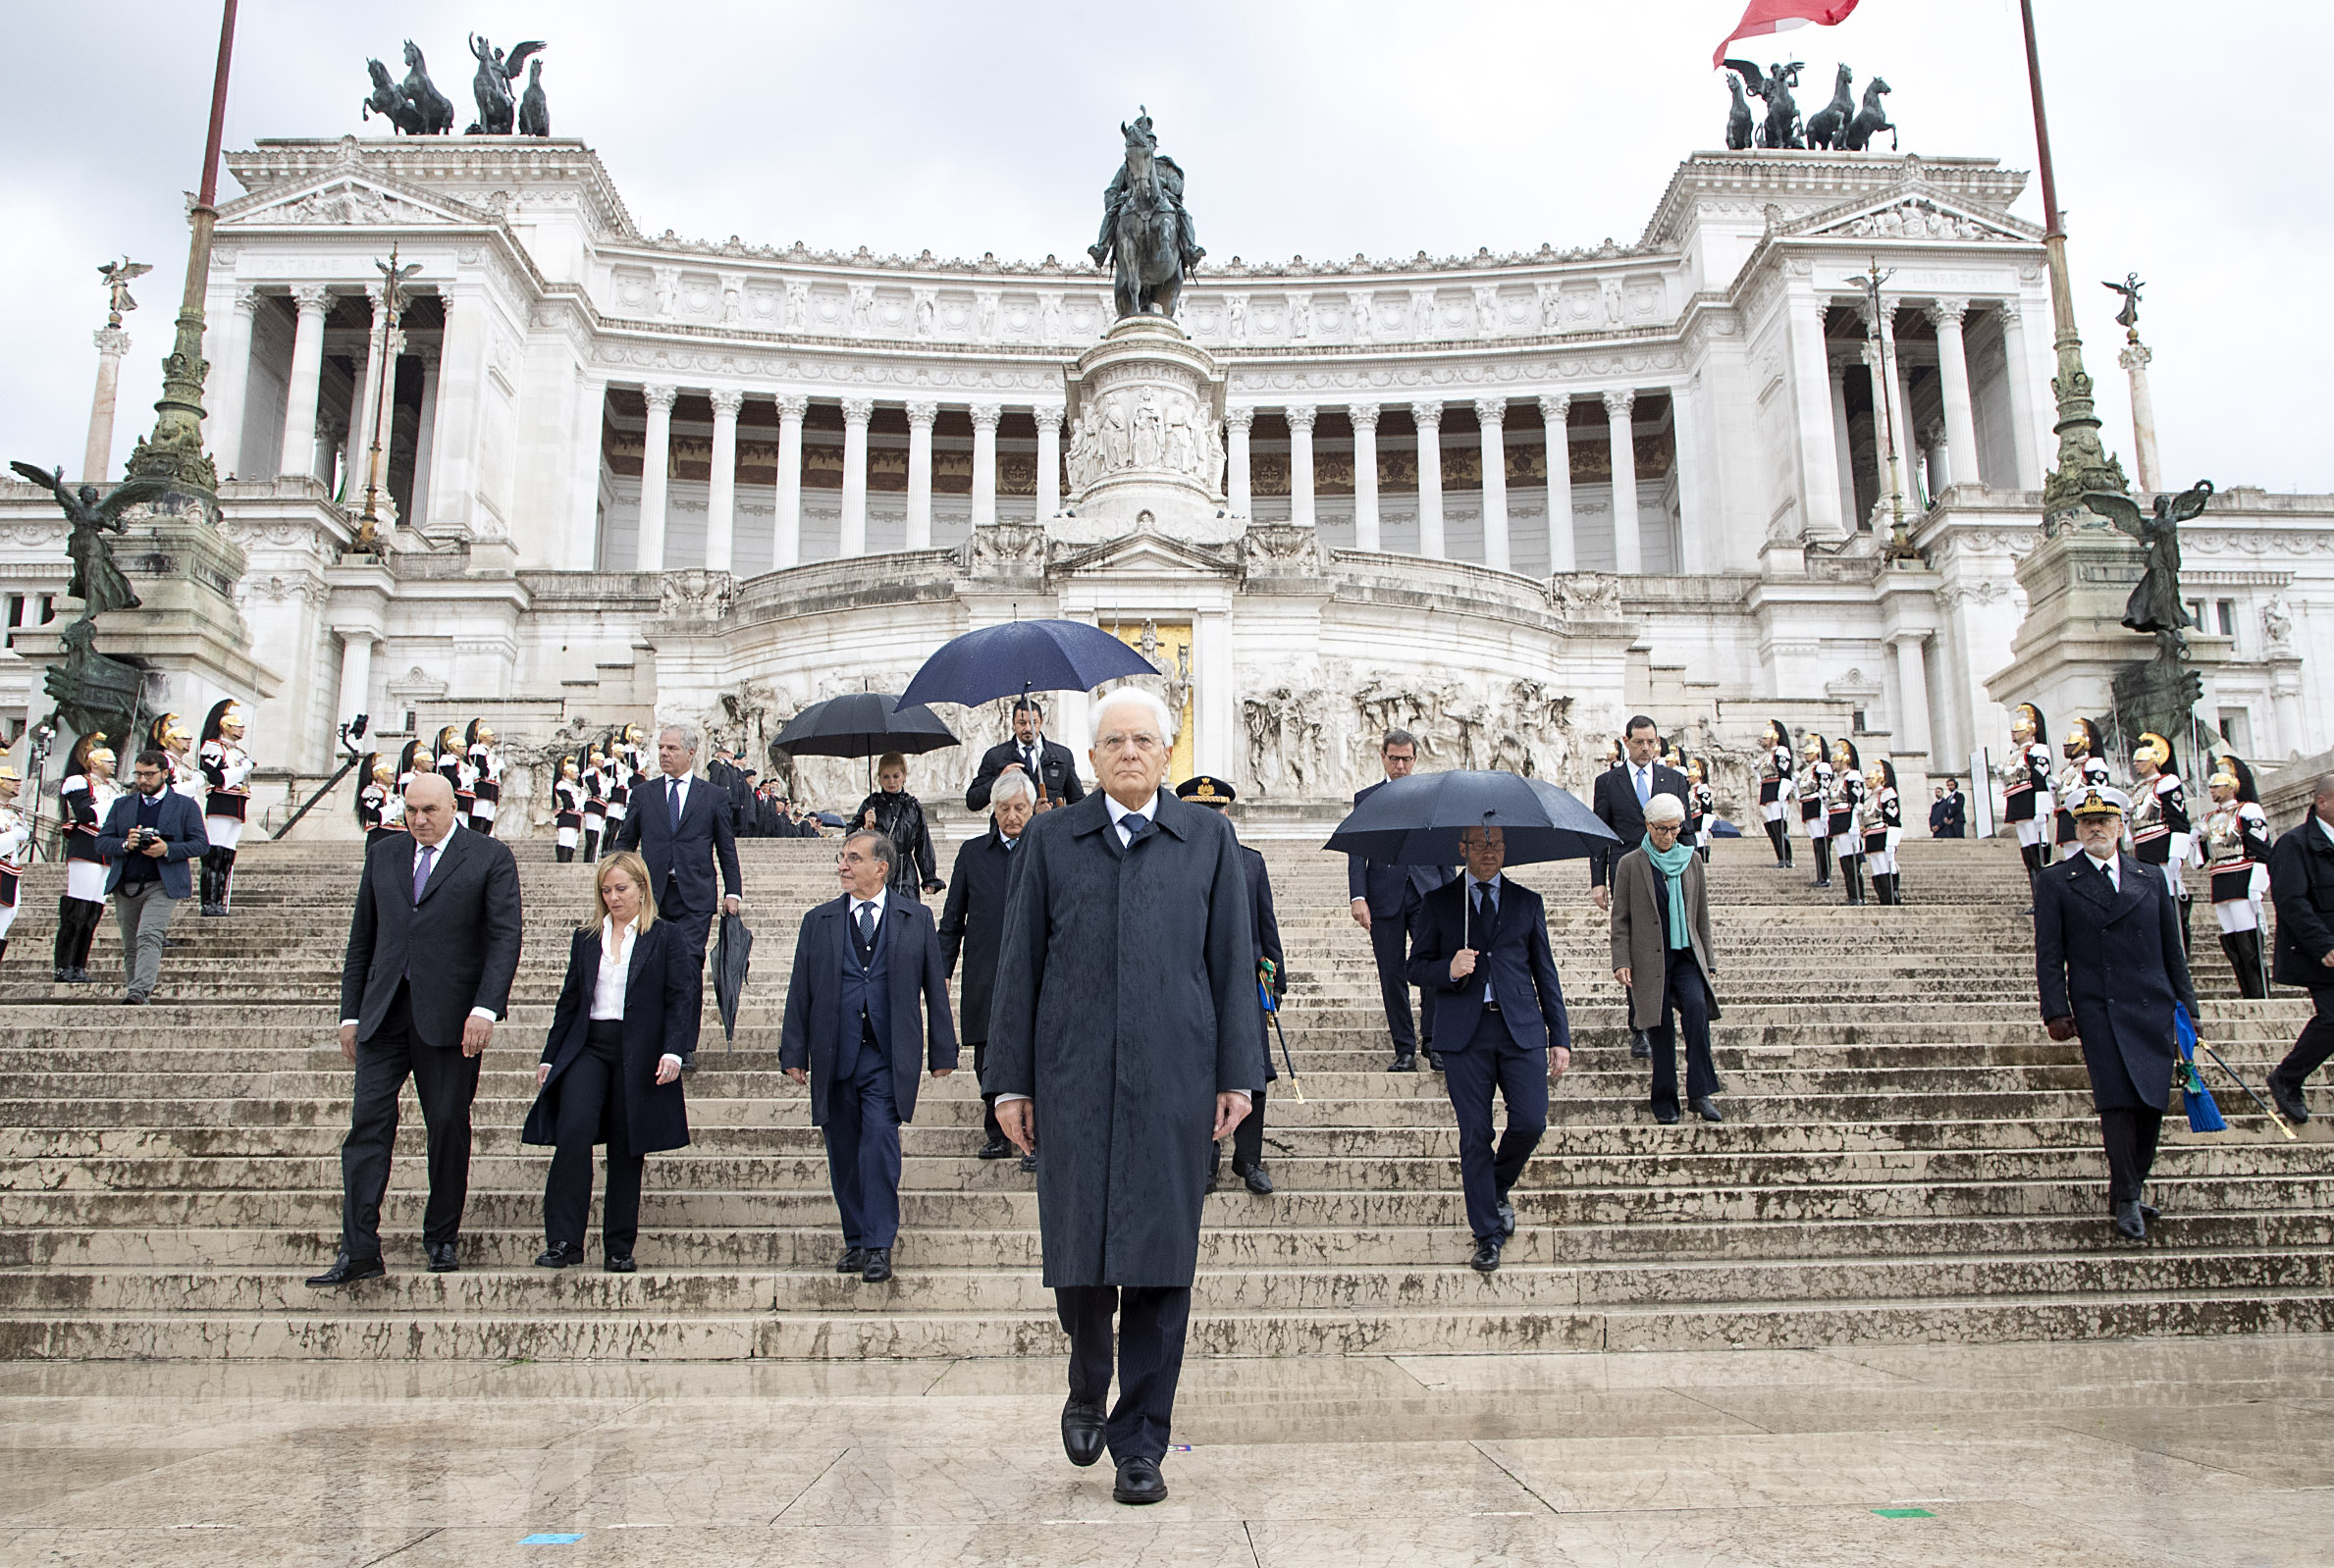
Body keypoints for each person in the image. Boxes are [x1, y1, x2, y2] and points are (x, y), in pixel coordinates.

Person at [987, 687, 1262, 1507]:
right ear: (1094, 755)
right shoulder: (1050, 839)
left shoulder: (1207, 838)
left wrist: (1238, 1075)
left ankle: (1142, 1440)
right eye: (1115, 741)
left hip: (1175, 1079)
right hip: (1072, 1077)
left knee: (1160, 1266)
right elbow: (1018, 967)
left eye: (1145, 740)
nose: (1131, 753)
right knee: (1080, 1252)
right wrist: (1011, 1081)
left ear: (1165, 754)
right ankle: (1086, 1381)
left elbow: (1231, 965)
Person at [310, 772, 522, 1285]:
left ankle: (441, 1238)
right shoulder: (384, 854)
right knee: (366, 1128)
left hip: (450, 1019)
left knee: (447, 1127)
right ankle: (359, 1248)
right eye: (411, 811)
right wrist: (350, 1013)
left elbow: (504, 937)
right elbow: (363, 936)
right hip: (383, 1015)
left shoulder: (489, 856)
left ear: (454, 806)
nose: (420, 820)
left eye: (430, 810)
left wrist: (486, 1009)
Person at [779, 828, 958, 1284]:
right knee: (842, 1149)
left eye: (853, 858)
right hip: (834, 1054)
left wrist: (943, 1049)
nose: (843, 865)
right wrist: (793, 1052)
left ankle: (879, 1243)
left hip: (885, 1055)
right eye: (842, 857)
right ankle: (856, 1238)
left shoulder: (914, 919)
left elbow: (934, 989)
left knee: (878, 1142)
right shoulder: (817, 922)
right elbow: (800, 992)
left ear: (881, 867)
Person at [2034, 784, 2200, 1240]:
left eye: (2104, 822)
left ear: (2120, 827)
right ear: (2076, 829)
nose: (2095, 830)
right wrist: (2055, 1010)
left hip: (2154, 1003)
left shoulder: (2149, 877)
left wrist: (2190, 1007)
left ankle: (2129, 1184)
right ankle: (2126, 1196)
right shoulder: (2055, 880)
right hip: (2098, 1006)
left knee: (2151, 1102)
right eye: (2086, 823)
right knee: (2117, 1102)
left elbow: (2173, 950)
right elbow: (2049, 953)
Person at [1406, 822, 1572, 1272]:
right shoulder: (1439, 903)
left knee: (1531, 1121)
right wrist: (1450, 969)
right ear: (1462, 849)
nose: (1488, 853)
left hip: (1520, 1031)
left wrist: (1560, 1036)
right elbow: (1414, 967)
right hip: (1465, 1036)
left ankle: (1495, 1186)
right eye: (1479, 845)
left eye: (1495, 845)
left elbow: (1546, 973)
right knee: (1475, 1135)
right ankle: (1487, 1234)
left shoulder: (1526, 902)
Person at [524, 851, 694, 1272]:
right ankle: (563, 1240)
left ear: (641, 889)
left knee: (626, 1146)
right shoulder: (586, 938)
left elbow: (682, 999)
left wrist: (674, 1050)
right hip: (589, 1046)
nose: (613, 898)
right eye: (606, 890)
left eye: (621, 889)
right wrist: (551, 1056)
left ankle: (619, 1246)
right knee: (574, 1131)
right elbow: (570, 1001)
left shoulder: (665, 936)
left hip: (638, 1050)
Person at [1179, 773, 1284, 1196]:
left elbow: (1266, 928)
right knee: (1198, 1074)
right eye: (1203, 813)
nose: (1214, 820)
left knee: (1252, 1074)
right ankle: (1205, 1160)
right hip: (1194, 989)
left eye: (1218, 812)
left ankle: (1249, 1159)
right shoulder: (1172, 864)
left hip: (1243, 988)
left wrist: (1275, 984)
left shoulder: (1251, 862)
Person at [611, 721, 744, 1045]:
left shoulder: (712, 796)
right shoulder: (644, 794)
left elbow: (725, 846)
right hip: (651, 897)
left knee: (687, 964)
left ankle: (682, 1044)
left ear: (691, 752)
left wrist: (733, 891)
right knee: (651, 966)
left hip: (694, 897)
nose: (664, 754)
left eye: (671, 748)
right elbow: (625, 841)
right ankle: (650, 1038)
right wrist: (613, 880)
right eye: (660, 747)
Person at [939, 769, 1037, 1160]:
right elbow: (952, 922)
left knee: (1035, 1054)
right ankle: (996, 1131)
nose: (1012, 816)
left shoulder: (1045, 850)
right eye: (1004, 808)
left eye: (1019, 808)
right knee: (987, 1057)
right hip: (986, 971)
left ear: (1032, 809)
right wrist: (941, 971)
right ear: (993, 811)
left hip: (1036, 972)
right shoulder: (972, 854)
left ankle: (1035, 1138)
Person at [1347, 729, 1454, 1071]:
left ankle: (1434, 1042)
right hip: (1384, 896)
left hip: (1428, 892)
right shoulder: (1367, 799)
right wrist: (1358, 896)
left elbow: (1444, 849)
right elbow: (1355, 852)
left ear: (1415, 759)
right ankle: (1404, 1048)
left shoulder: (1431, 797)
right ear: (1383, 756)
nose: (1401, 765)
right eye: (1394, 758)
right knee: (1391, 972)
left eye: (1407, 759)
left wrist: (1450, 893)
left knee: (1434, 967)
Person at [1610, 793, 1719, 1124]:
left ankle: (1700, 1093)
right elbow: (1621, 919)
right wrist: (1621, 960)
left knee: (1697, 1012)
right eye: (1662, 829)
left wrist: (1709, 961)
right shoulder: (1631, 864)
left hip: (1686, 955)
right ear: (1648, 826)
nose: (1669, 836)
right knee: (1660, 1031)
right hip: (1649, 960)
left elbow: (1701, 915)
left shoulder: (1692, 860)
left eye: (1674, 829)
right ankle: (1664, 1100)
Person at [1593, 716, 1689, 1058]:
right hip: (1627, 872)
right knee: (1636, 950)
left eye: (1651, 742)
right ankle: (1640, 1026)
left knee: (1669, 946)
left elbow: (1687, 830)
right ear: (1626, 741)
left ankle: (1671, 1013)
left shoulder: (1674, 780)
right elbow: (1600, 833)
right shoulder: (1608, 782)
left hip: (1670, 876)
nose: (1645, 748)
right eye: (1638, 742)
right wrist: (1598, 881)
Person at [93, 750, 209, 1004]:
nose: (143, 780)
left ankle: (139, 991)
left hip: (162, 883)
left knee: (149, 934)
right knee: (131, 943)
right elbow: (102, 843)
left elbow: (201, 844)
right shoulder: (122, 805)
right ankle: (135, 991)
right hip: (126, 883)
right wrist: (125, 844)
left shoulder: (184, 805)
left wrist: (168, 849)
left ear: (165, 774)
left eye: (149, 774)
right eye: (139, 774)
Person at [2266, 773, 2334, 1124]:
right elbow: (2291, 901)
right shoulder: (2294, 844)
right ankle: (2286, 1078)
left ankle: (2288, 1078)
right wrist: (2324, 944)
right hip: (2318, 953)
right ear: (2322, 802)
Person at [2201, 756, 2272, 1000]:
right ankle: (2247, 991)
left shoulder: (2248, 810)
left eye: (2217, 786)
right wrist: (2194, 840)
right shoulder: (2209, 818)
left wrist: (2257, 886)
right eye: (2210, 787)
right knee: (2232, 941)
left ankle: (2259, 992)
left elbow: (2262, 849)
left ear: (2231, 787)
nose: (2212, 791)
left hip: (2242, 876)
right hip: (2220, 880)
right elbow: (2201, 859)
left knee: (2248, 942)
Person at [53, 735, 117, 984]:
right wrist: (114, 805)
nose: (113, 765)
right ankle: (63, 965)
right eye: (108, 761)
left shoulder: (113, 788)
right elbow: (83, 813)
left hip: (106, 851)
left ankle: (79, 965)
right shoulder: (79, 782)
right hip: (86, 845)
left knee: (93, 910)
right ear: (94, 763)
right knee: (76, 908)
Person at [967, 698, 1087, 813]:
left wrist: (1059, 816)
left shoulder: (1061, 756)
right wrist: (1000, 778)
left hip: (1048, 830)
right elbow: (973, 801)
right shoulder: (995, 756)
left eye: (1033, 723)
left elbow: (1077, 801)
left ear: (1041, 721)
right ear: (1013, 723)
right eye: (1022, 723)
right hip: (1012, 831)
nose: (1028, 728)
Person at [856, 754, 944, 902]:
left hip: (906, 871)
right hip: (877, 869)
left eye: (896, 776)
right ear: (879, 778)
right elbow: (851, 837)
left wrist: (929, 876)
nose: (891, 781)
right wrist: (866, 827)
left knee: (907, 916)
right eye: (886, 777)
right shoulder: (870, 804)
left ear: (904, 776)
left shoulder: (912, 806)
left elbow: (922, 842)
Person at [196, 700, 253, 916]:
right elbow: (216, 776)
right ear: (225, 726)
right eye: (237, 725)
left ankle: (218, 901)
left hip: (237, 804)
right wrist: (242, 770)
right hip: (221, 801)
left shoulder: (238, 752)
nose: (242, 729)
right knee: (214, 853)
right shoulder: (213, 746)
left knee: (227, 855)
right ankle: (208, 902)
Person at [2003, 703, 2055, 904]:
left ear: (2027, 731)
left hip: (2031, 801)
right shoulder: (2013, 755)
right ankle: (2037, 897)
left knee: (2038, 851)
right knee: (2027, 851)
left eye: (2017, 731)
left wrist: (2042, 809)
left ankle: (2045, 897)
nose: (2013, 734)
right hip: (2017, 802)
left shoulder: (2037, 750)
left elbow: (2041, 779)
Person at [2055, 719, 2110, 855]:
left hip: (2084, 815)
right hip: (2066, 817)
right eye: (2065, 746)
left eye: (2070, 745)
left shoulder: (2092, 765)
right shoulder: (2066, 770)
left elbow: (2100, 793)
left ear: (2081, 745)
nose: (2066, 749)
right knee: (2071, 856)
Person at [1863, 760, 1906, 907]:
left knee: (1886, 865)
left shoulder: (1886, 793)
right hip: (1871, 834)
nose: (1866, 781)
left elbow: (1893, 817)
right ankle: (1883, 897)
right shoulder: (1869, 797)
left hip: (1882, 833)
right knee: (1877, 868)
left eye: (1869, 778)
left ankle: (1892, 897)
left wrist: (1892, 841)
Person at [1795, 731, 1834, 890]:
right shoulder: (1807, 770)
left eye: (1809, 753)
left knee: (1822, 842)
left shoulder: (1822, 767)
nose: (1806, 756)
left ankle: (1825, 875)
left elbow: (1825, 787)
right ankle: (1821, 875)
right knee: (1816, 843)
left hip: (1818, 805)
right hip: (1808, 806)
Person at [1757, 718, 1795, 867]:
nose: (1764, 741)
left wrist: (1783, 792)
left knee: (1780, 825)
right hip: (1768, 790)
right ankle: (1780, 856)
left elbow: (1785, 772)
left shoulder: (1781, 751)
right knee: (1772, 825)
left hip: (1777, 788)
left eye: (1766, 738)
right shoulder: (1766, 755)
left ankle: (1787, 856)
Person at [0, 764, 26, 966]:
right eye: (11, 779)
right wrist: (12, 836)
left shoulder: (14, 814)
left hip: (9, 870)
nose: (18, 783)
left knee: (6, 918)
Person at [355, 753, 403, 847]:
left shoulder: (393, 795)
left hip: (397, 835)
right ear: (380, 775)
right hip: (381, 836)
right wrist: (396, 807)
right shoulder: (373, 792)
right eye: (390, 773)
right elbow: (373, 815)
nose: (394, 775)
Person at [465, 719, 502, 838]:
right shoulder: (477, 749)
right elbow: (484, 770)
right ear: (484, 738)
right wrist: (497, 766)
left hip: (491, 789)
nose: (493, 737)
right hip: (483, 789)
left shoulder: (490, 752)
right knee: (479, 818)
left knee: (488, 820)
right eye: (491, 735)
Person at [552, 758, 585, 862]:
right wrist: (582, 797)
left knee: (572, 844)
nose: (578, 775)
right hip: (567, 817)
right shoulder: (562, 785)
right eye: (575, 772)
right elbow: (571, 804)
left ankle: (567, 862)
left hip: (575, 819)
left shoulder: (574, 787)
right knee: (565, 843)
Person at [580, 745, 609, 862]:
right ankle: (589, 860)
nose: (603, 762)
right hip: (594, 803)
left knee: (598, 834)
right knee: (592, 833)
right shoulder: (591, 772)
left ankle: (594, 859)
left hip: (601, 803)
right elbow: (596, 789)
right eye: (600, 760)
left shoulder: (602, 774)